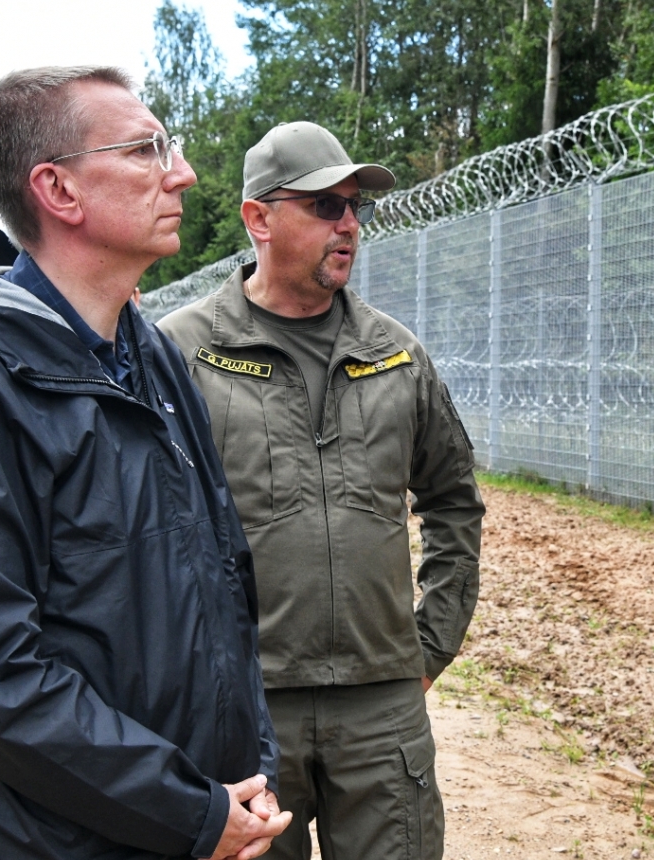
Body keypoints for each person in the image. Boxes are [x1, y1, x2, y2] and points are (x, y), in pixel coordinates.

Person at [0, 66, 289, 860]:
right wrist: (186, 811)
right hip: (65, 841)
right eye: (145, 150)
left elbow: (223, 585)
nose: (183, 173)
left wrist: (244, 775)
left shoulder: (153, 358)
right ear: (59, 191)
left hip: (206, 816)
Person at [158, 121, 484, 860]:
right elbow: (148, 526)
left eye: (354, 208)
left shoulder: (395, 355)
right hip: (243, 708)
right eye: (324, 206)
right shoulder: (185, 351)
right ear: (259, 219)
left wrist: (430, 643)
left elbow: (455, 501)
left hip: (381, 709)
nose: (348, 224)